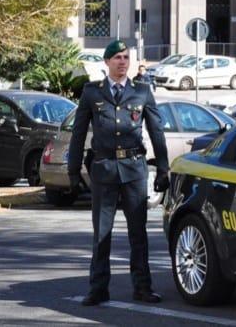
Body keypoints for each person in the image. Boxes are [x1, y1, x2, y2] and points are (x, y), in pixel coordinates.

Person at [68, 40, 169, 306]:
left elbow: (157, 131)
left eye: (126, 57)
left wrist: (162, 168)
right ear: (107, 62)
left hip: (135, 169)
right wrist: (72, 168)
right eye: (117, 58)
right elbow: (78, 133)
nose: (123, 62)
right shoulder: (92, 93)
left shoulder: (142, 91)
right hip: (104, 170)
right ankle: (98, 288)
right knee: (102, 233)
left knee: (138, 233)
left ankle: (143, 287)